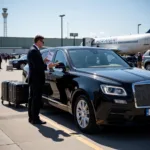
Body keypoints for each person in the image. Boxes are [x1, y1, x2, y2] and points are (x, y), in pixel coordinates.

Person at [27, 35, 58, 125]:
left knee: (32, 98)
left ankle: (31, 118)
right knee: (36, 100)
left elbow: (36, 63)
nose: (43, 44)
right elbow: (38, 67)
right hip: (37, 79)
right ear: (38, 41)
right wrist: (49, 66)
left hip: (34, 79)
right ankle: (35, 119)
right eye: (42, 42)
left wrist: (43, 61)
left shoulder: (33, 50)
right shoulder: (34, 51)